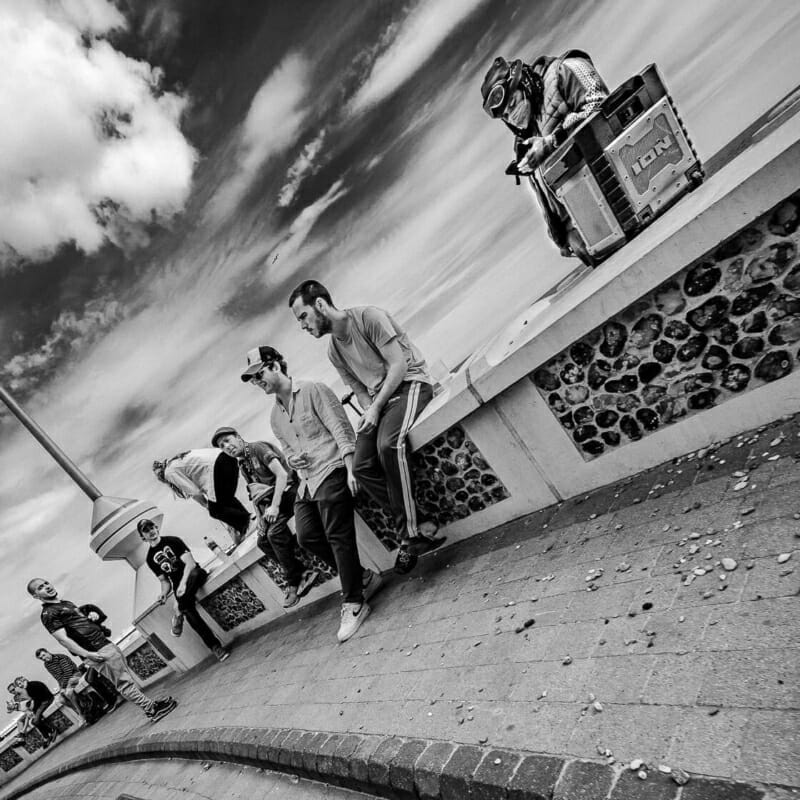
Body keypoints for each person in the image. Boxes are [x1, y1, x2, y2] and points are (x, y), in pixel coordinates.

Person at [288, 280, 445, 574]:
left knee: (389, 445)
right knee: (360, 467)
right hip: (380, 402)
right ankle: (417, 522)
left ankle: (410, 535)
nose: (303, 326)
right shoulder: (334, 351)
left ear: (320, 305)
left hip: (411, 384)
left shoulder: (368, 317)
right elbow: (359, 389)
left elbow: (397, 365)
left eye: (303, 317)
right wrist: (368, 411)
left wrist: (375, 407)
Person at [241, 345, 382, 642]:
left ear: (276, 365)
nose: (257, 382)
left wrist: (350, 468)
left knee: (337, 534)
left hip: (332, 467)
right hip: (307, 482)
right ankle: (364, 577)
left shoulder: (313, 389)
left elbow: (341, 428)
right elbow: (289, 452)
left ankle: (354, 601)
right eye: (253, 379)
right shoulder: (274, 416)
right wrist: (292, 460)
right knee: (306, 537)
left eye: (259, 374)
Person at [480, 49, 609, 263]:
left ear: (525, 84)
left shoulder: (566, 71)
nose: (512, 116)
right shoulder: (523, 143)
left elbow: (601, 105)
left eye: (512, 104)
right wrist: (564, 235)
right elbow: (545, 194)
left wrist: (552, 142)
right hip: (594, 239)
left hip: (623, 193)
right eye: (505, 116)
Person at [27, 578, 177, 723]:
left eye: (46, 583)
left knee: (125, 679)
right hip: (96, 651)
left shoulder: (65, 603)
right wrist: (88, 654)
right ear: (36, 596)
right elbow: (63, 639)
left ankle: (150, 705)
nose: (46, 586)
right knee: (123, 683)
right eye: (40, 587)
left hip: (104, 644)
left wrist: (92, 616)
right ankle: (151, 710)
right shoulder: (48, 614)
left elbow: (81, 621)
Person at [211, 426, 319, 608]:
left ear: (238, 436)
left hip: (290, 493)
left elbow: (282, 475)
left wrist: (275, 506)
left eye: (228, 440)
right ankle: (301, 572)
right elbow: (256, 494)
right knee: (262, 541)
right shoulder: (242, 464)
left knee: (275, 533)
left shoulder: (257, 448)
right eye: (222, 446)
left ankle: (295, 579)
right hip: (273, 501)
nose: (227, 447)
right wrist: (261, 519)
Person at [137, 518, 231, 662]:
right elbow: (164, 581)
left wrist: (182, 584)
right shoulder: (150, 559)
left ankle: (178, 610)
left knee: (186, 594)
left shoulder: (173, 541)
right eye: (146, 530)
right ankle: (215, 647)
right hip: (179, 590)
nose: (151, 532)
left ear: (157, 528)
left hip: (194, 575)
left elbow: (191, 564)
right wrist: (163, 593)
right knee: (188, 610)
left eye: (152, 527)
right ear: (143, 537)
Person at [152, 448, 252, 547]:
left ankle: (245, 523)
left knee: (215, 510)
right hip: (227, 458)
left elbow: (194, 492)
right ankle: (248, 522)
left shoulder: (168, 472)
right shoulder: (176, 462)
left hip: (217, 466)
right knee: (225, 501)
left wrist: (206, 505)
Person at [12, 677, 56, 746]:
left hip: (46, 700)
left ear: (24, 680)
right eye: (19, 685)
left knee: (35, 721)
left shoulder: (30, 687)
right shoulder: (26, 689)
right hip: (41, 702)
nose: (20, 685)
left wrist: (33, 710)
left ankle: (51, 731)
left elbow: (37, 700)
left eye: (20, 683)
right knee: (33, 720)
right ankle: (48, 735)